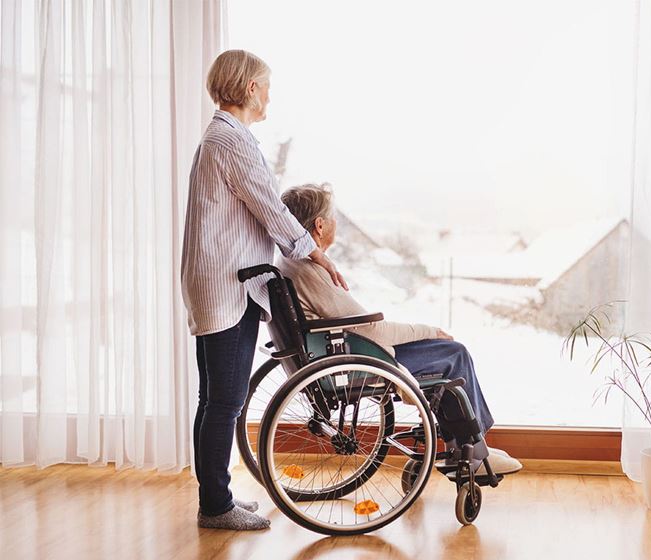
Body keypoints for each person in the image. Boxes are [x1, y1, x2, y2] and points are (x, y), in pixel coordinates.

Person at [181, 51, 347, 531]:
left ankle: (215, 498)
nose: (269, 94)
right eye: (266, 85)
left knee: (214, 398)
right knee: (225, 399)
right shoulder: (229, 140)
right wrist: (313, 252)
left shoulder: (224, 137)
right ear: (250, 87)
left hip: (222, 281)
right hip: (226, 286)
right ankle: (215, 506)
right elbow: (270, 207)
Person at [275, 183, 522, 475]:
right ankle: (474, 451)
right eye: (332, 217)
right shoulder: (310, 270)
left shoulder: (290, 262)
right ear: (319, 225)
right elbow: (374, 331)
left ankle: (462, 445)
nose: (336, 223)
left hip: (340, 352)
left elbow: (362, 326)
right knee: (454, 354)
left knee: (444, 353)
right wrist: (428, 330)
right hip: (356, 360)